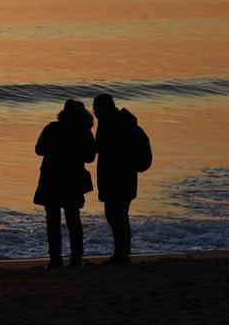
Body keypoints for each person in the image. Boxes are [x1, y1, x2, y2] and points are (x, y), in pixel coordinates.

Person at [33, 99, 96, 269]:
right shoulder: (84, 132)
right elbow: (90, 157)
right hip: (73, 180)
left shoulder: (52, 128)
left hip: (51, 179)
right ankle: (76, 258)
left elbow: (39, 150)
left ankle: (55, 259)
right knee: (73, 220)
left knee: (52, 221)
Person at [93, 94, 152, 265]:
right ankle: (123, 253)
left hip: (114, 179)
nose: (94, 114)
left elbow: (100, 147)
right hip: (127, 178)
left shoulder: (109, 124)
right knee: (119, 216)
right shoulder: (126, 122)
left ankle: (121, 254)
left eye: (96, 110)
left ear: (103, 109)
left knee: (115, 216)